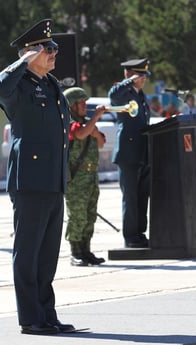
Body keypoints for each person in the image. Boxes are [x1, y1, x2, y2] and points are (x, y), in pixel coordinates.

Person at [0, 19, 75, 335]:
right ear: (30, 53)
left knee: (47, 255)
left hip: (53, 179)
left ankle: (47, 314)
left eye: (54, 47)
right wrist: (23, 59)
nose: (54, 53)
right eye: (47, 48)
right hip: (30, 179)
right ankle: (30, 317)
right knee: (28, 252)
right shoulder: (18, 87)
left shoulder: (51, 84)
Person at [108, 58, 151, 248]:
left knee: (142, 195)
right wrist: (129, 81)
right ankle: (130, 236)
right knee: (131, 197)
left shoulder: (141, 96)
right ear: (129, 74)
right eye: (139, 76)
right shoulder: (123, 92)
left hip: (143, 152)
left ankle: (140, 233)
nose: (143, 80)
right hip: (128, 153)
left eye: (143, 76)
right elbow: (113, 96)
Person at [63, 87, 106, 266]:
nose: (85, 106)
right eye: (81, 103)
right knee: (77, 215)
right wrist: (95, 119)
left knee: (90, 215)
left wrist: (93, 128)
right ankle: (75, 252)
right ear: (72, 105)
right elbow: (80, 134)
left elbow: (101, 142)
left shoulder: (88, 123)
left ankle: (86, 250)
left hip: (91, 176)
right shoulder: (68, 123)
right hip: (76, 177)